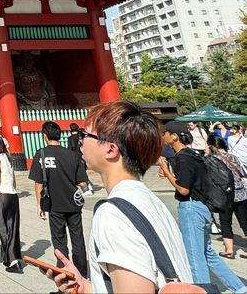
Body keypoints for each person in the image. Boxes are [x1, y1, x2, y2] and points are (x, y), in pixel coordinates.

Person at [43, 101, 192, 294]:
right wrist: (85, 286)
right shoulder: (151, 201)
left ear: (111, 149)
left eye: (84, 135)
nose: (80, 141)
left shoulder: (113, 214)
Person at [158, 120, 246, 293]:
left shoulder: (182, 157)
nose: (164, 136)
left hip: (190, 208)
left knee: (195, 256)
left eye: (166, 133)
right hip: (203, 207)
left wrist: (166, 170)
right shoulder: (193, 155)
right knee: (208, 253)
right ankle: (239, 287)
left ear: (174, 136)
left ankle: (203, 290)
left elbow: (183, 189)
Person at [29, 121, 89, 278]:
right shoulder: (72, 155)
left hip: (54, 204)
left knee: (59, 240)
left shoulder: (41, 154)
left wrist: (39, 205)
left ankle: (64, 273)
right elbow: (83, 182)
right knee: (78, 240)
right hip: (74, 204)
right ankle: (82, 274)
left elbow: (39, 184)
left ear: (44, 135)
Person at [206, 134, 247, 260]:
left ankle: (229, 251)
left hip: (224, 196)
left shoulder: (211, 160)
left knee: (225, 222)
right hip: (241, 194)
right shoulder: (233, 157)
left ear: (212, 146)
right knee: (245, 222)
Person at [0, 136, 22, 274]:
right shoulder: (9, 157)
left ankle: (11, 260)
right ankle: (13, 257)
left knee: (4, 228)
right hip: (13, 195)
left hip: (3, 195)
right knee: (13, 227)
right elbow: (13, 178)